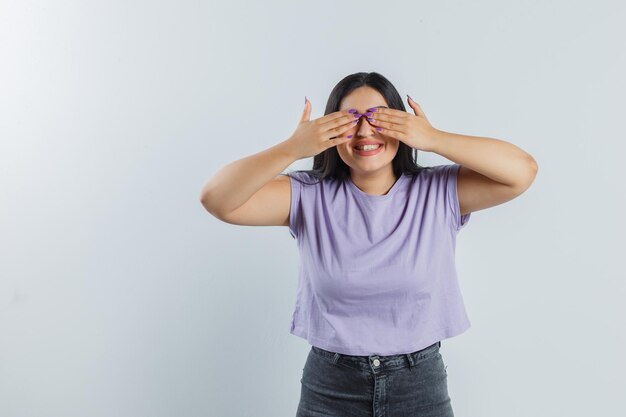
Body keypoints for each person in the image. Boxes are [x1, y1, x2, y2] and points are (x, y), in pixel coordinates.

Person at [199, 72, 538, 416]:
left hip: (419, 386)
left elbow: (521, 171)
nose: (364, 132)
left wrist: (435, 139)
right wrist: (291, 148)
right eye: (349, 121)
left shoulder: (438, 191)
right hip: (330, 388)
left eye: (378, 119)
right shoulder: (307, 195)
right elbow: (217, 199)